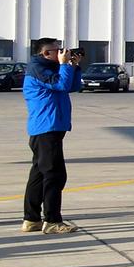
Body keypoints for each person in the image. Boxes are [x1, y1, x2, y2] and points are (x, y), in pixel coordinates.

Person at [22, 38, 82, 234]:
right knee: (55, 175)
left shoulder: (48, 67)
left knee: (39, 174)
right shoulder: (39, 69)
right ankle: (52, 220)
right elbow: (61, 85)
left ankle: (31, 219)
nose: (60, 53)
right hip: (46, 128)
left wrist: (73, 65)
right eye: (56, 50)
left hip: (48, 128)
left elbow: (72, 86)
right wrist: (64, 65)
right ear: (45, 53)